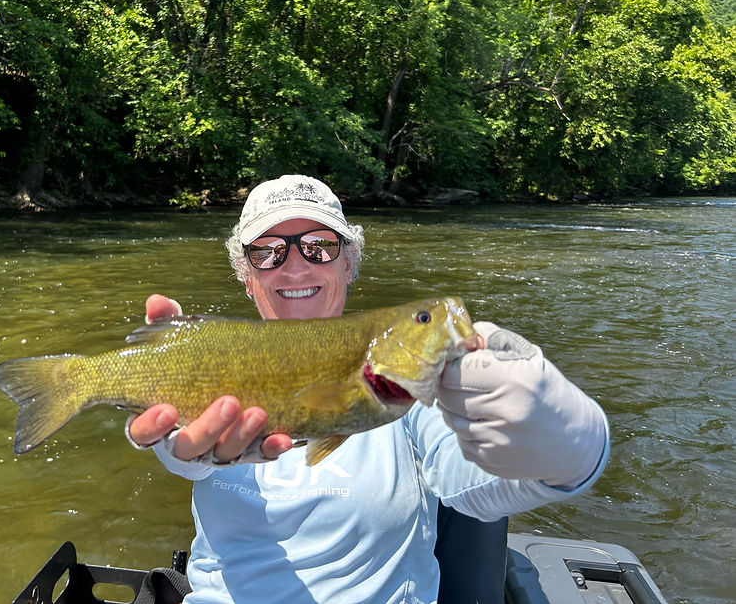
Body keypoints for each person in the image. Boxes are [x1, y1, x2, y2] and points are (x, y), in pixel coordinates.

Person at [127, 174, 609, 604]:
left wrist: (567, 446)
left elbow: (474, 486)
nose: (295, 267)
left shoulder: (410, 388)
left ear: (348, 265)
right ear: (248, 278)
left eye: (319, 246)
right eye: (268, 252)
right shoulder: (214, 365)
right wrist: (174, 447)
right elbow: (187, 456)